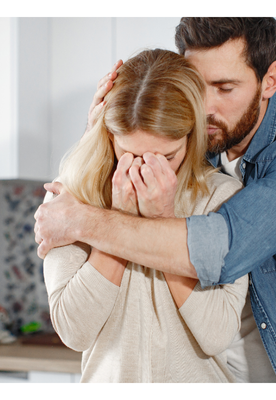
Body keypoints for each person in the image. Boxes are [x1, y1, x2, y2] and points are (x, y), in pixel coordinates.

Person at [35, 17, 276, 383]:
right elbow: (147, 129)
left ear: (269, 80)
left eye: (225, 88)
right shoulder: (197, 144)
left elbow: (218, 246)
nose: (206, 107)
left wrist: (80, 220)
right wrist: (99, 135)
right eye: (197, 86)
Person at [43, 48, 250, 382]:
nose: (145, 169)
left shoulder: (222, 199)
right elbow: (74, 331)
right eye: (131, 153)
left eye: (166, 156)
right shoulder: (74, 198)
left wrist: (162, 222)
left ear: (191, 137)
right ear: (109, 136)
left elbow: (216, 333)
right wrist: (118, 217)